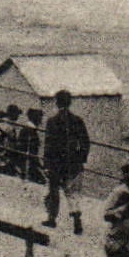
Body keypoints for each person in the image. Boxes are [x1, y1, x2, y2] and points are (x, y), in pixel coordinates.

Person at [42, 90, 91, 232]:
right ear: (70, 103)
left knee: (53, 191)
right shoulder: (77, 120)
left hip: (56, 163)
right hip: (73, 163)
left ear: (57, 103)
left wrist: (47, 164)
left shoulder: (52, 121)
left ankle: (51, 219)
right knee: (72, 193)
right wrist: (81, 158)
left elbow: (48, 145)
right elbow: (85, 142)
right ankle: (76, 220)